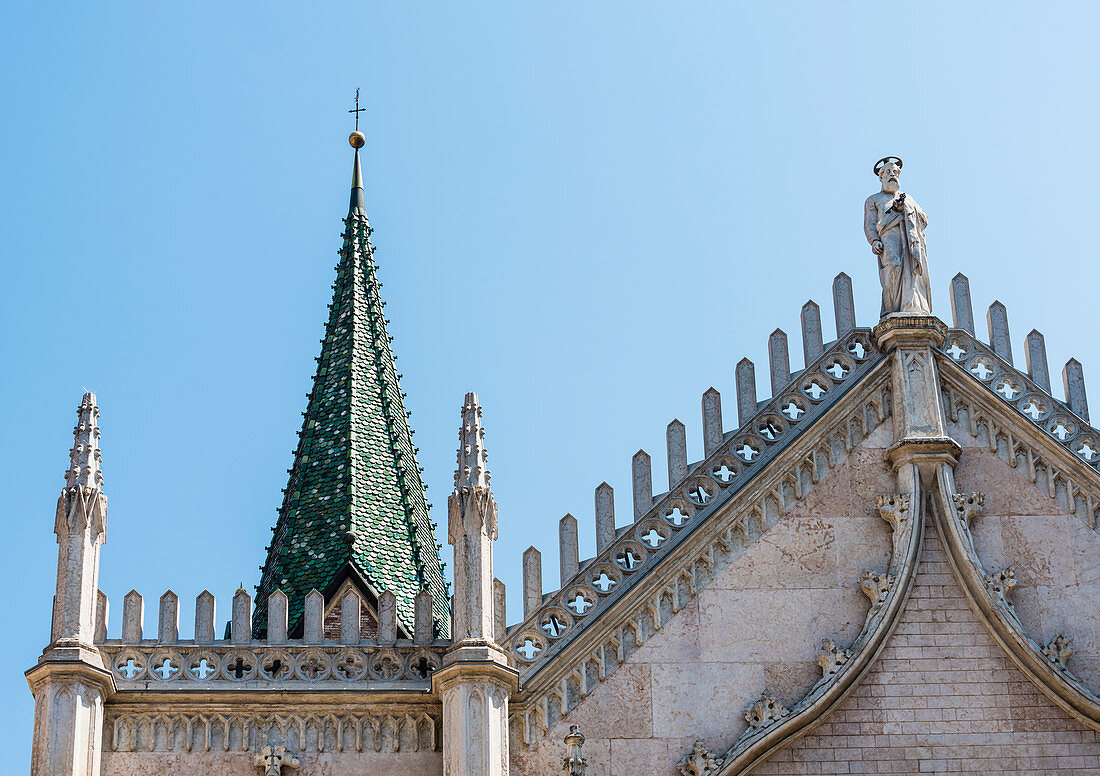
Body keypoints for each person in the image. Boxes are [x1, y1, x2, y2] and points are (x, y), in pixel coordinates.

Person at [864, 157, 932, 317]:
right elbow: (869, 224)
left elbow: (924, 218)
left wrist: (906, 208)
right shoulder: (873, 200)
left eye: (895, 172)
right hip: (888, 238)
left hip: (909, 240)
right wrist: (874, 240)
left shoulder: (908, 198)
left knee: (911, 270)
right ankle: (891, 309)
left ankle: (911, 305)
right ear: (881, 177)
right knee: (893, 267)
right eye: (888, 172)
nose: (892, 175)